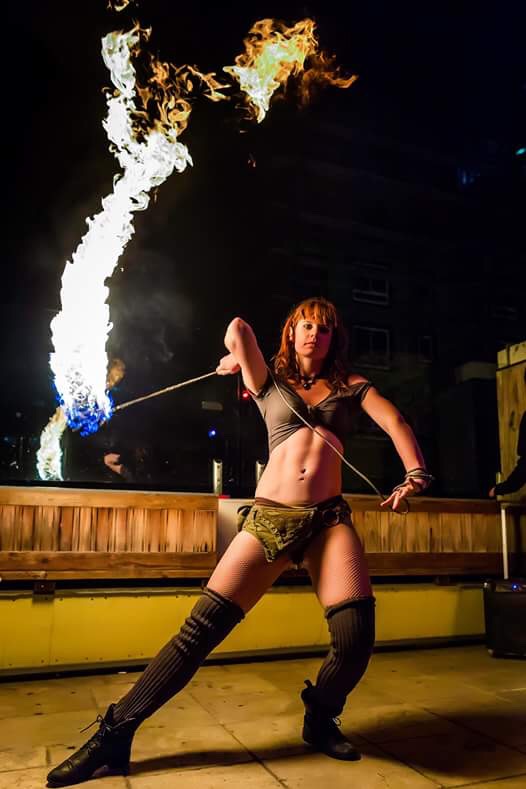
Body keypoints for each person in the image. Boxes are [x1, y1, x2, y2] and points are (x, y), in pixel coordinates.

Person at [47, 297, 431, 787]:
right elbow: (237, 327)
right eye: (306, 325)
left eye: (324, 329)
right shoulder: (268, 382)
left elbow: (395, 422)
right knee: (199, 633)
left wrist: (415, 473)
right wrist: (239, 358)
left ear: (334, 338)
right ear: (291, 332)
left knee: (356, 638)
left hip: (328, 520)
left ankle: (320, 715)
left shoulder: (350, 386)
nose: (314, 334)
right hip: (270, 517)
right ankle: (114, 735)